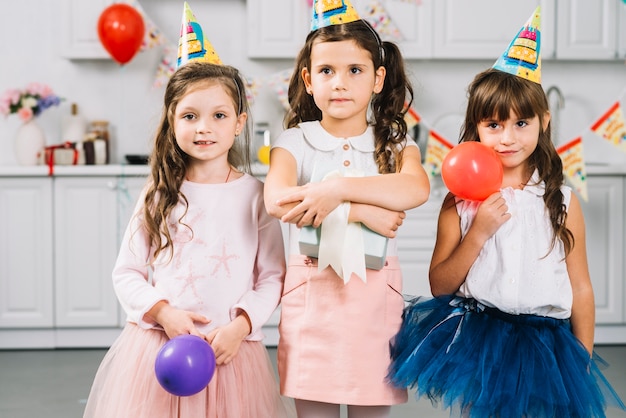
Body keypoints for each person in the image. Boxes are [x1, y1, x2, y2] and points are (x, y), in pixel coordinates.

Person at [388, 7, 626, 418]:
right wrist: (478, 232)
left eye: (521, 123)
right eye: (493, 125)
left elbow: (581, 288)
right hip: (482, 340)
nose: (508, 137)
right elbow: (441, 285)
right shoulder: (459, 202)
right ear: (476, 128)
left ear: (544, 122)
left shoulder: (562, 202)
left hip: (548, 347)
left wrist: (582, 361)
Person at [83, 5, 290, 417]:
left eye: (218, 116)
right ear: (172, 121)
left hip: (229, 349)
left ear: (238, 123)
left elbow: (272, 276)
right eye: (190, 116)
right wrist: (163, 312)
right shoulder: (158, 194)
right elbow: (126, 272)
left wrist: (241, 326)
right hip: (161, 346)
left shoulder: (255, 196)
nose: (203, 128)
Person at [263, 1, 430, 416]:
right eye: (326, 71)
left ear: (377, 79)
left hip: (374, 300)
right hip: (313, 296)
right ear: (307, 79)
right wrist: (363, 211)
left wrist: (336, 191)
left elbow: (416, 188)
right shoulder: (294, 142)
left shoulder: (393, 144)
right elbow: (276, 200)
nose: (339, 83)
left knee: (370, 404)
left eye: (354, 71)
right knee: (314, 406)